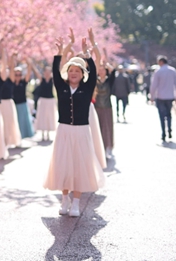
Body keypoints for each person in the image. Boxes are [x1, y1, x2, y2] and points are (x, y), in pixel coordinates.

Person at [44, 30, 105, 217]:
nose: (73, 73)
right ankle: (64, 200)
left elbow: (93, 72)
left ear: (82, 74)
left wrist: (87, 54)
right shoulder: (61, 87)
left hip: (81, 131)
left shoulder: (86, 89)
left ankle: (76, 202)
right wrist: (60, 52)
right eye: (71, 70)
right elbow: (55, 71)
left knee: (79, 166)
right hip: (63, 130)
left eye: (77, 71)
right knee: (63, 165)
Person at [150, 55, 176, 142]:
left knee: (162, 116)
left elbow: (153, 85)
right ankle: (169, 129)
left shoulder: (158, 71)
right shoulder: (172, 71)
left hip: (160, 97)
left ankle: (163, 133)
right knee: (169, 114)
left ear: (161, 62)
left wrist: (151, 96)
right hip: (170, 96)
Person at [94, 48, 116, 158]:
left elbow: (113, 71)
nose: (101, 71)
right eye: (100, 69)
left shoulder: (109, 81)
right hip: (96, 107)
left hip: (107, 107)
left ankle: (108, 148)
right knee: (98, 128)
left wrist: (105, 57)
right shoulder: (94, 81)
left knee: (107, 128)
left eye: (103, 69)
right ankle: (99, 148)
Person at [0, 54, 22, 148]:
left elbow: (12, 68)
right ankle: (2, 142)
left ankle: (7, 142)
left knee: (9, 123)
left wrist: (12, 59)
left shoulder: (11, 80)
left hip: (8, 103)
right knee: (1, 123)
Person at [12, 56, 35, 140]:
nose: (18, 76)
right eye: (16, 74)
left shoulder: (23, 82)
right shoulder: (11, 83)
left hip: (22, 104)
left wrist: (28, 63)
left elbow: (29, 73)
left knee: (22, 121)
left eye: (19, 74)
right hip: (14, 105)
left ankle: (21, 138)